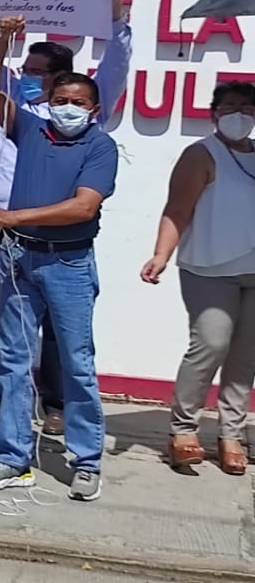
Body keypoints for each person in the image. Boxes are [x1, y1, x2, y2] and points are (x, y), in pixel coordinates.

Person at [0, 0, 132, 431]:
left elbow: (114, 65)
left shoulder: (83, 128)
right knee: (0, 325)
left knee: (65, 336)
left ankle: (59, 406)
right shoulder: (20, 112)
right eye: (27, 70)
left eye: (37, 71)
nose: (28, 76)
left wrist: (116, 15)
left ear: (64, 81)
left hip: (61, 244)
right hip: (1, 228)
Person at [141, 81, 255, 475]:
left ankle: (231, 434)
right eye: (229, 107)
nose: (239, 114)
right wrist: (160, 254)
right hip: (209, 268)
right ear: (214, 114)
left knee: (244, 357)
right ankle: (183, 429)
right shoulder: (201, 154)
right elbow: (177, 210)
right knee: (210, 343)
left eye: (246, 107)